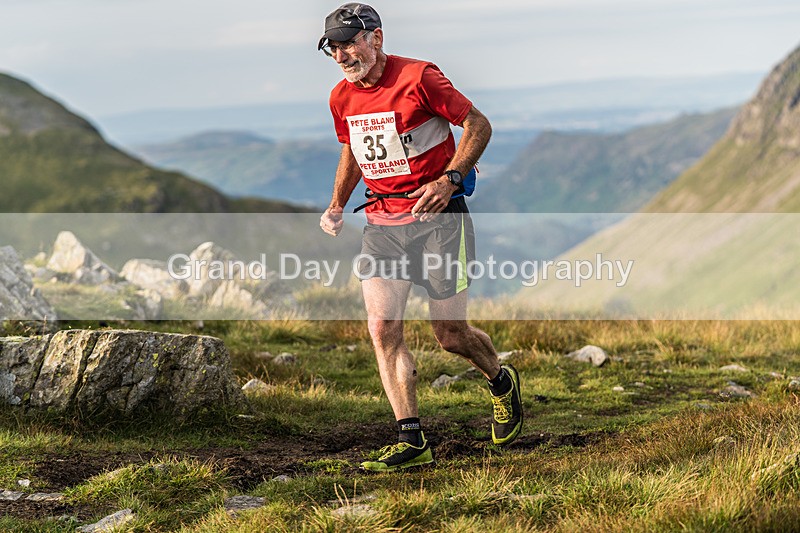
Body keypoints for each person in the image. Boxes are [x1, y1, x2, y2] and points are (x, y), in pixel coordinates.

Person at [318, 3, 522, 472]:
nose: (343, 54)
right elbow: (352, 150)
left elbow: (478, 125)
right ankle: (412, 440)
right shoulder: (340, 98)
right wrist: (335, 203)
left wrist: (450, 179)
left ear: (377, 38)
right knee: (382, 328)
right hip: (383, 225)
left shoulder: (420, 77)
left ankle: (501, 381)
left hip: (440, 220)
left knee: (450, 336)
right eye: (334, 47)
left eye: (351, 42)